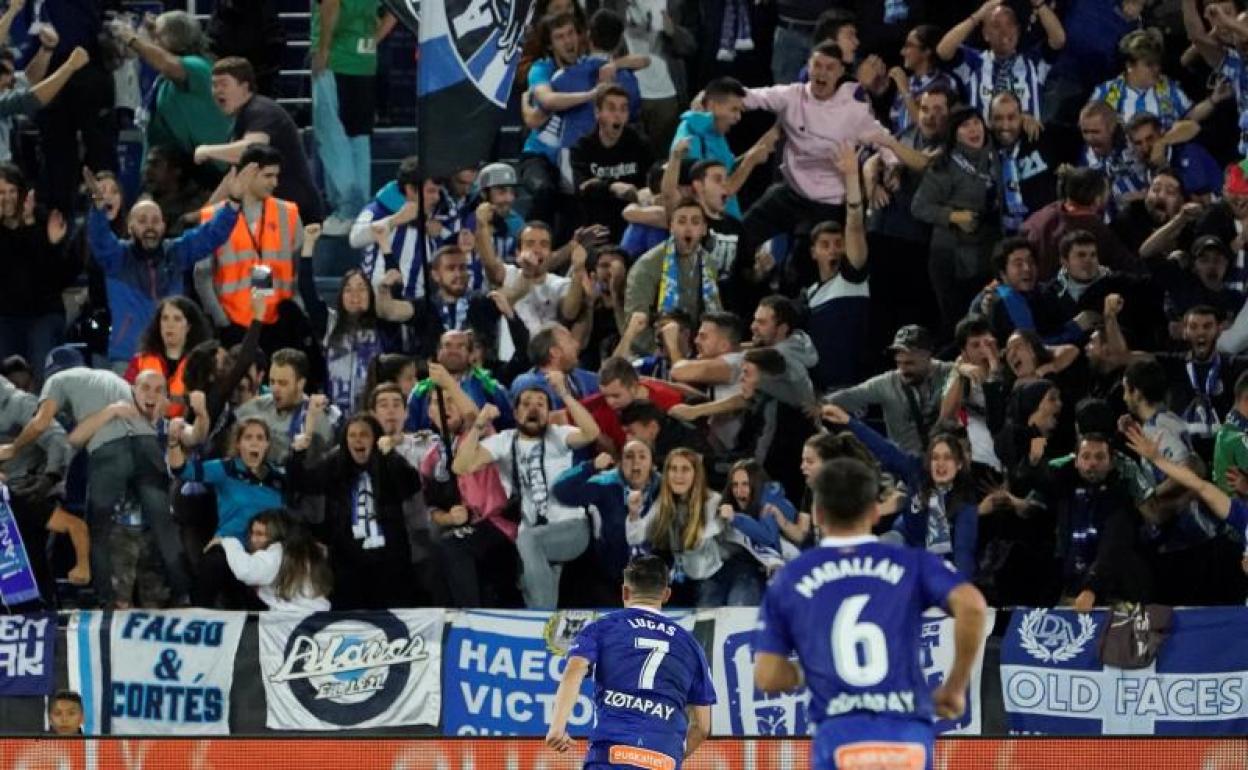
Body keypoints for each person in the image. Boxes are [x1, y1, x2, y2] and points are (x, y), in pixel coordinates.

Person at [753, 457, 989, 770]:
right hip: (906, 734)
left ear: (819, 513)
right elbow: (972, 605)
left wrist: (805, 672)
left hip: (839, 736)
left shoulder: (791, 578)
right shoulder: (911, 562)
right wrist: (955, 688)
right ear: (876, 511)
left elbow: (767, 676)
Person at [1, 365, 190, 607]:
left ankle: (104, 599)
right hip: (145, 448)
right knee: (164, 526)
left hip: (108, 455)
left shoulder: (55, 384)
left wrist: (17, 451)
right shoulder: (116, 386)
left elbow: (47, 428)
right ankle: (184, 594)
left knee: (98, 529)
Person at [545, 554, 714, 768]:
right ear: (666, 594)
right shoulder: (692, 646)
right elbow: (702, 727)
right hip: (662, 758)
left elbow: (574, 670)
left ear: (624, 592)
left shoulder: (601, 629)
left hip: (610, 755)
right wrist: (671, 758)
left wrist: (557, 726)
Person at [453, 370, 601, 608]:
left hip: (570, 529)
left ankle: (540, 619)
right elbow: (461, 466)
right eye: (527, 403)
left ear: (548, 413)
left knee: (528, 541)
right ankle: (542, 630)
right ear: (515, 412)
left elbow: (591, 432)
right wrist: (479, 424)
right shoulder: (504, 440)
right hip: (533, 532)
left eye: (541, 404)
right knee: (534, 588)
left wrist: (564, 393)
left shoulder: (559, 435)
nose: (533, 408)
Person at [84, 164, 247, 366]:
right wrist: (98, 207)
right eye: (142, 221)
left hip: (171, 357)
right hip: (128, 358)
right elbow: (99, 238)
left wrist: (233, 203)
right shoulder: (118, 257)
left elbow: (210, 235)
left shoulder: (176, 253)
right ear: (130, 227)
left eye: (155, 220)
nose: (150, 226)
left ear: (163, 226)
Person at [289, 413, 424, 609]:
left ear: (375, 439)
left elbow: (410, 484)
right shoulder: (333, 465)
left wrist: (391, 455)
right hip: (346, 562)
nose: (358, 439)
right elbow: (302, 484)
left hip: (390, 562)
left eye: (364, 434)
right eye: (352, 435)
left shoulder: (390, 463)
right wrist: (297, 454)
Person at [168, 416, 288, 608]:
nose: (254, 442)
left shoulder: (278, 479)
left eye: (260, 438)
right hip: (230, 547)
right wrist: (173, 442)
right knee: (213, 563)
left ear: (267, 445)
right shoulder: (226, 469)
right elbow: (182, 470)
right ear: (239, 444)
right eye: (248, 437)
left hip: (267, 554)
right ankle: (199, 618)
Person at [194, 146, 303, 350]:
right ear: (249, 173)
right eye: (268, 176)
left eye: (276, 176)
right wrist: (222, 322)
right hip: (233, 325)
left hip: (278, 325)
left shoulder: (288, 215)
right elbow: (202, 276)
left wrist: (296, 317)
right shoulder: (213, 218)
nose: (275, 183)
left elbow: (298, 273)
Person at [196, 57, 324, 223]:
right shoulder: (242, 119)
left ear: (244, 87)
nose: (217, 90)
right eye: (214, 85)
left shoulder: (261, 110)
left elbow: (251, 151)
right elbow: (234, 176)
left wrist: (206, 150)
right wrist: (205, 213)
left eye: (224, 84)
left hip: (295, 215)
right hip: (272, 212)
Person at [109, 11, 232, 176]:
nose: (154, 41)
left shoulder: (198, 67)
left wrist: (131, 38)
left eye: (158, 36)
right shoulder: (166, 79)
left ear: (176, 39)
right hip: (175, 170)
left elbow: (166, 62)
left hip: (209, 172)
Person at [310, 0, 389, 234]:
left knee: (332, 134)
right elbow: (395, 13)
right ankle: (362, 211)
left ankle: (346, 211)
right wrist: (373, 39)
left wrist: (323, 49)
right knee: (358, 136)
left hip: (337, 59)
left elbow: (331, 4)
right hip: (365, 61)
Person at [552, 440, 661, 602]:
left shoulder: (664, 488)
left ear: (652, 464)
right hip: (608, 576)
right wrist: (591, 466)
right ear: (620, 463)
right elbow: (561, 490)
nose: (635, 462)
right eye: (629, 457)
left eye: (642, 456)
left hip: (653, 578)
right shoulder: (606, 485)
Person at [0, 164, 77, 382]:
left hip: (43, 313)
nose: (7, 199)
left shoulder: (45, 222)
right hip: (6, 315)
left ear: (23, 193)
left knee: (42, 364)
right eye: (1, 193)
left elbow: (61, 277)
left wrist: (51, 242)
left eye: (12, 191)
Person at [829, 325, 955, 456]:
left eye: (909, 363)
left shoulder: (952, 373)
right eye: (899, 363)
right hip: (905, 467)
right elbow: (844, 397)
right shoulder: (886, 383)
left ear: (927, 355)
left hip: (949, 460)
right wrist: (816, 404)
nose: (903, 370)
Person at [625, 447, 724, 606]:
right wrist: (634, 513)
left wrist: (695, 527)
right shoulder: (663, 503)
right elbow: (635, 538)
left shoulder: (713, 500)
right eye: (673, 469)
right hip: (679, 577)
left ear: (696, 474)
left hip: (710, 579)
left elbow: (713, 529)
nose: (678, 476)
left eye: (685, 469)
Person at [936, 0, 1065, 120]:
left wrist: (1039, 4)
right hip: (984, 141)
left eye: (1010, 24)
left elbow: (1058, 40)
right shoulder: (974, 62)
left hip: (1026, 141)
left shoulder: (1033, 62)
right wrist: (979, 15)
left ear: (1018, 31)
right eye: (996, 25)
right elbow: (943, 50)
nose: (1004, 31)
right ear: (985, 34)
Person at [234, 349, 337, 465]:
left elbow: (314, 470)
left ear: (300, 384)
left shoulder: (316, 420)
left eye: (283, 383)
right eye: (272, 382)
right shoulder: (253, 408)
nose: (275, 389)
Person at [219, 510, 333, 612]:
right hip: (316, 617)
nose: (253, 539)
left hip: (293, 620)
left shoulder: (277, 552)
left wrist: (228, 542)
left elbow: (247, 571)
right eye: (252, 533)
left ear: (276, 534)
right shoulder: (301, 551)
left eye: (260, 534)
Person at [124, 296, 213, 418]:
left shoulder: (200, 363)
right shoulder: (140, 360)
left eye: (177, 319)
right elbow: (125, 395)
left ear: (188, 327)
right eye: (165, 319)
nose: (169, 325)